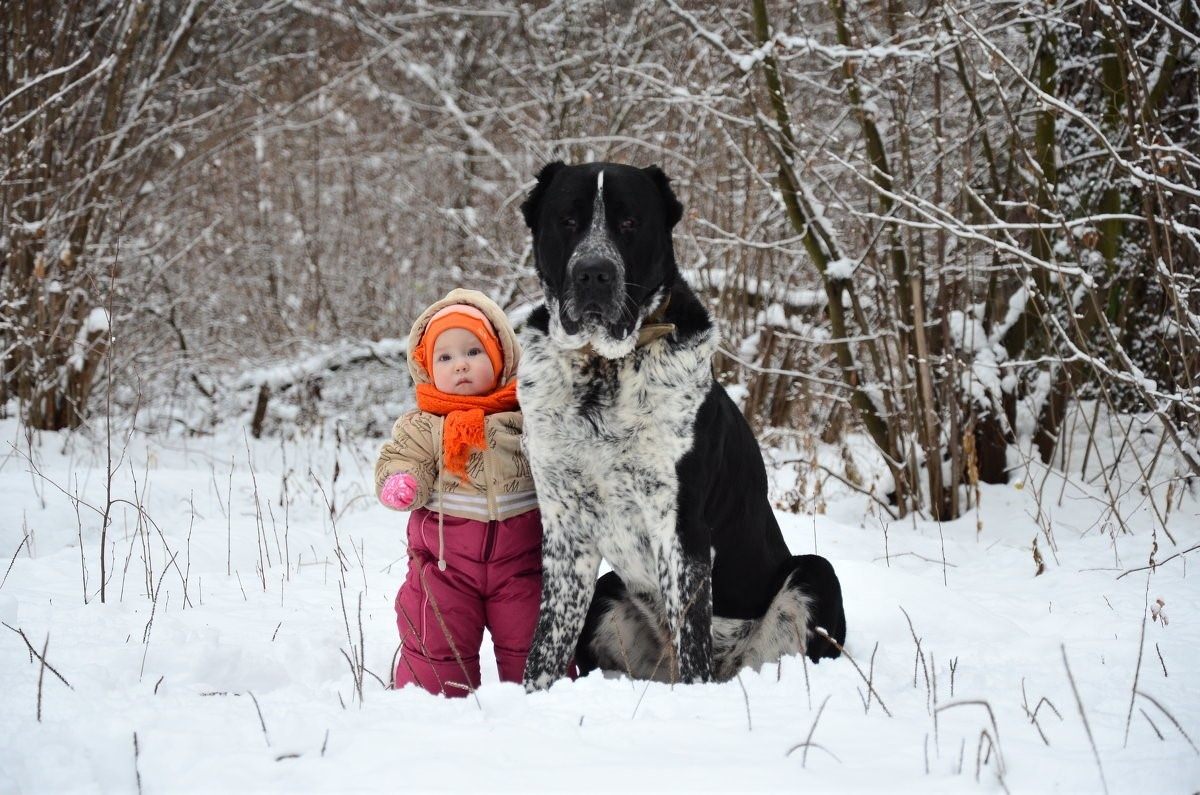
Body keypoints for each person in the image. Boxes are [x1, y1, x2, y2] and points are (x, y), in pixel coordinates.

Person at [376, 288, 542, 697]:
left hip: (523, 565)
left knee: (538, 654)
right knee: (435, 647)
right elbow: (402, 457)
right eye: (445, 357)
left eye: (473, 351)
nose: (461, 365)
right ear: (428, 368)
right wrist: (403, 481)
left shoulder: (527, 417)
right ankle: (434, 710)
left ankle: (544, 713)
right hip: (444, 567)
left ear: (501, 357)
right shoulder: (424, 424)